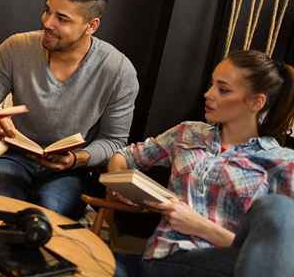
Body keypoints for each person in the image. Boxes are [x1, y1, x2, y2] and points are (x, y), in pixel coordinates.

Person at [109, 50, 294, 277]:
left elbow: (273, 255)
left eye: (223, 89)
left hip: (231, 264)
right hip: (169, 259)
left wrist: (200, 226)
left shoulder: (282, 162)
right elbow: (125, 156)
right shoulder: (188, 133)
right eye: (211, 85)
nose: (208, 94)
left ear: (256, 102)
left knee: (279, 211)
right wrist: (121, 186)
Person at [0, 0, 139, 218]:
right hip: (14, 156)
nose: (47, 22)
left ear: (91, 26)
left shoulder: (119, 71)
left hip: (69, 169)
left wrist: (76, 159)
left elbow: (114, 141)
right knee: (3, 202)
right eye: (47, 10)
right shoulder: (15, 48)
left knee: (50, 212)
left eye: (62, 18)